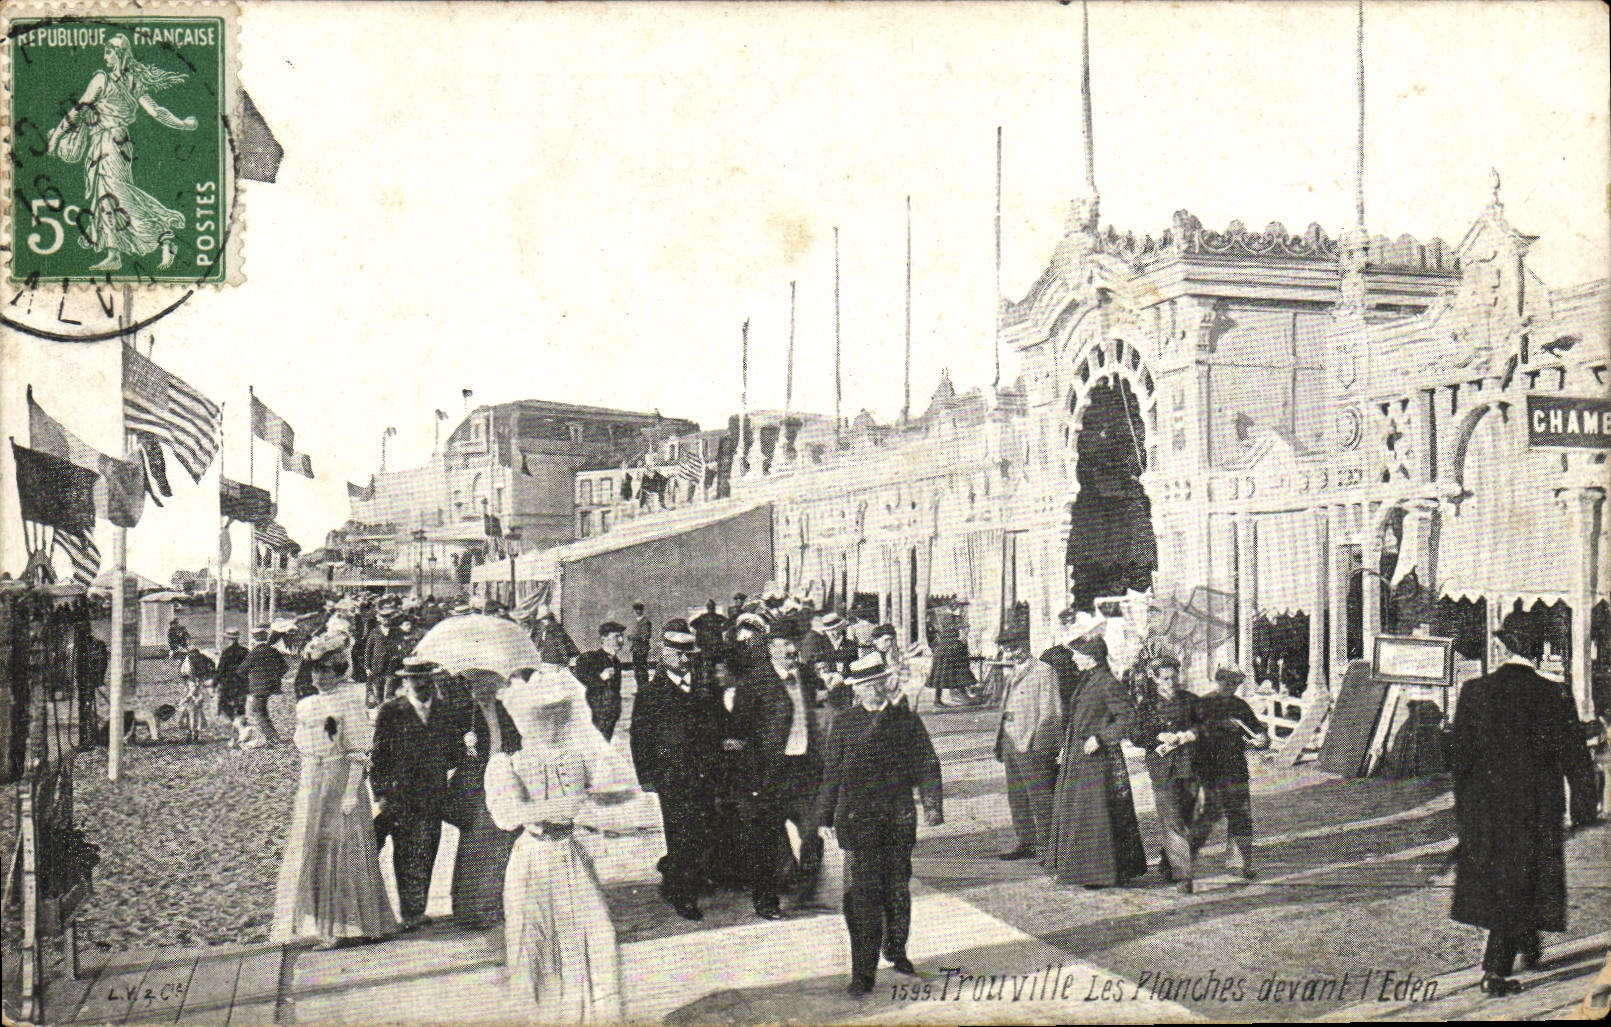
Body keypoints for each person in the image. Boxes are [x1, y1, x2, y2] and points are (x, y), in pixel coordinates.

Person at [1450, 609, 1597, 996]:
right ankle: (1494, 971)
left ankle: (1528, 943)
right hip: (1536, 808)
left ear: (1502, 648)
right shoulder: (1553, 695)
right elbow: (1576, 761)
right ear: (1539, 651)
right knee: (1522, 880)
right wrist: (1584, 810)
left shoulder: (1474, 693)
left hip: (1486, 807)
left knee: (1509, 880)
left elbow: (1460, 760)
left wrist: (1464, 810)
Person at [485, 665, 636, 1022]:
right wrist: (555, 808)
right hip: (533, 857)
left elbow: (614, 795)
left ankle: (593, 1017)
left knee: (594, 933)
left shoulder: (578, 756)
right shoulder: (509, 762)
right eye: (543, 717)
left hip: (572, 854)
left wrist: (598, 798)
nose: (552, 725)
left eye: (558, 715)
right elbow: (506, 814)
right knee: (533, 941)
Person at [816, 654, 943, 999]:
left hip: (897, 819)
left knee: (897, 891)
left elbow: (928, 765)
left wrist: (932, 807)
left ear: (884, 683)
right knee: (861, 898)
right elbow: (831, 772)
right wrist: (824, 816)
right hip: (858, 822)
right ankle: (863, 972)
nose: (869, 691)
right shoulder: (843, 723)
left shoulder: (907, 721)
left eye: (874, 683)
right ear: (855, 689)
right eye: (862, 685)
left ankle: (896, 949)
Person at [271, 628, 398, 949]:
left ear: (338, 671)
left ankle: (346, 926)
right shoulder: (308, 704)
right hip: (313, 780)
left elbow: (358, 753)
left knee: (342, 850)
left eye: (323, 670)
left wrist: (351, 793)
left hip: (341, 780)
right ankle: (326, 925)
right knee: (315, 847)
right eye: (313, 670)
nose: (316, 677)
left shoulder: (351, 701)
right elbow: (305, 744)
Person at [47, 34, 196, 272]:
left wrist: (55, 138)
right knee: (108, 196)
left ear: (119, 54)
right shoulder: (133, 81)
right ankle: (114, 253)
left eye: (108, 52)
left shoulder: (101, 79)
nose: (105, 57)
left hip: (107, 143)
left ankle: (164, 236)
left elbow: (79, 110)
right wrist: (183, 124)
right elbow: (157, 112)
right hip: (121, 143)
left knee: (116, 193)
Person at [1043, 610, 1147, 888]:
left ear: (1090, 658)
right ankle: (1082, 870)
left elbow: (1129, 716)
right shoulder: (1089, 680)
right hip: (1078, 757)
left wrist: (1101, 738)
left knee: (1095, 815)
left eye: (1077, 654)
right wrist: (1066, 747)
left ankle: (1100, 873)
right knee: (1079, 813)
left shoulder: (1106, 683)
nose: (1074, 658)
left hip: (1097, 760)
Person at [735, 630, 830, 919]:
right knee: (766, 839)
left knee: (813, 831)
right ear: (770, 648)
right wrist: (750, 778)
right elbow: (742, 733)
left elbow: (821, 709)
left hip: (804, 769)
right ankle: (766, 901)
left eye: (794, 644)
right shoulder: (754, 683)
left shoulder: (805, 674)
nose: (792, 649)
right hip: (770, 773)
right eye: (785, 644)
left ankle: (805, 891)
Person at [628, 619, 719, 920]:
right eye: (678, 653)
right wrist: (648, 777)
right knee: (680, 835)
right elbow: (640, 738)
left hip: (704, 773)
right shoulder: (651, 694)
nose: (684, 659)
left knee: (702, 830)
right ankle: (684, 894)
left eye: (688, 654)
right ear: (662, 652)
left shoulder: (704, 688)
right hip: (672, 776)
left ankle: (678, 877)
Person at [371, 657, 465, 931]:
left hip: (433, 794)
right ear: (405, 682)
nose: (421, 683)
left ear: (432, 680)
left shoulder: (445, 711)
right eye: (415, 679)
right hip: (401, 795)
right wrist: (381, 793)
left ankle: (418, 909)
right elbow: (379, 755)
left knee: (427, 850)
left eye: (426, 678)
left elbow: (453, 753)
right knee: (404, 852)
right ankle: (409, 912)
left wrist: (461, 747)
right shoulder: (391, 711)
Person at [450, 672, 523, 929]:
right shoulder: (461, 713)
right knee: (476, 848)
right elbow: (447, 752)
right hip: (476, 788)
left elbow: (517, 740)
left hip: (502, 783)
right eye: (479, 685)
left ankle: (497, 905)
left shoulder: (504, 710)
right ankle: (469, 910)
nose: (484, 690)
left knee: (503, 845)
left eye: (489, 686)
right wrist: (464, 745)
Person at [1130, 643, 1202, 894]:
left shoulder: (1191, 701)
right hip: (1162, 769)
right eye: (1166, 678)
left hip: (1190, 766)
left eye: (1174, 677)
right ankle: (1184, 876)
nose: (1171, 682)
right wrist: (1159, 736)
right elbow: (1136, 735)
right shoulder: (1147, 705)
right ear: (1155, 679)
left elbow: (1206, 727)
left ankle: (1169, 863)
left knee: (1188, 818)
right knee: (1172, 820)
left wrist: (1191, 735)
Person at [1190, 666, 1269, 879]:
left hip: (1235, 769)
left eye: (1235, 684)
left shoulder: (1240, 705)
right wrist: (1221, 725)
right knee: (1201, 818)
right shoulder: (1203, 704)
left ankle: (1240, 863)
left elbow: (1256, 728)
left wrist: (1262, 738)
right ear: (1217, 681)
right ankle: (1177, 863)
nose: (1231, 688)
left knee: (1241, 815)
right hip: (1209, 770)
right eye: (1227, 683)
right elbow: (1193, 734)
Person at [993, 624, 1063, 862]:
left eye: (1014, 648)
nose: (1010, 654)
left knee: (1041, 797)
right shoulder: (1013, 671)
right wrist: (1001, 741)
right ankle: (1027, 841)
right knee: (1017, 796)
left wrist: (1043, 747)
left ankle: (1048, 848)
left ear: (1026, 645)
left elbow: (1051, 712)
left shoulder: (1044, 671)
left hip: (1032, 745)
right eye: (1006, 650)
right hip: (1011, 742)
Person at [573, 622, 627, 741]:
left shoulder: (616, 661)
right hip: (594, 715)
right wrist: (601, 678)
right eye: (616, 636)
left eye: (621, 636)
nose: (621, 640)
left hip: (610, 714)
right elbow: (580, 683)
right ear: (604, 638)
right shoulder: (589, 659)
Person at [242, 624, 290, 747]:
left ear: (253, 638)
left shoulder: (254, 652)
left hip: (258, 687)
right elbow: (285, 667)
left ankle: (273, 738)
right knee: (261, 710)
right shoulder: (273, 651)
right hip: (271, 686)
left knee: (257, 710)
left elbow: (241, 670)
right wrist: (274, 676)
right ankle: (270, 736)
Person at [926, 601, 978, 707]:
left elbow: (935, 632)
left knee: (941, 674)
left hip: (942, 648)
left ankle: (938, 699)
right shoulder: (957, 619)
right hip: (953, 648)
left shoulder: (940, 618)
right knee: (959, 672)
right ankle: (963, 696)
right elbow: (963, 635)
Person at [215, 627, 250, 723]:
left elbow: (221, 670)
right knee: (240, 707)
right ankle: (242, 728)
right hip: (242, 683)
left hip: (228, 683)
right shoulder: (245, 651)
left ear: (227, 638)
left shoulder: (226, 652)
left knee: (226, 706)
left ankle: (234, 725)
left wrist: (215, 683)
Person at [627, 603, 653, 685]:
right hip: (636, 649)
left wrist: (632, 637)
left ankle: (644, 689)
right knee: (637, 670)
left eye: (635, 610)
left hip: (642, 649)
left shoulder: (645, 622)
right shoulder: (638, 621)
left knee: (641, 670)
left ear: (638, 611)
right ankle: (640, 689)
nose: (634, 612)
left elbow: (645, 637)